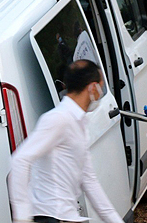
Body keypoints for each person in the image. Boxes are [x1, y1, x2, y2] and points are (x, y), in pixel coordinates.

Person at [8, 60, 124, 223]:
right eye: (101, 86)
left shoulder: (78, 121)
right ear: (92, 88)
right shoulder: (58, 119)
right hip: (50, 216)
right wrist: (22, 217)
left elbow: (89, 179)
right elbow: (20, 160)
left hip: (65, 216)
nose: (101, 92)